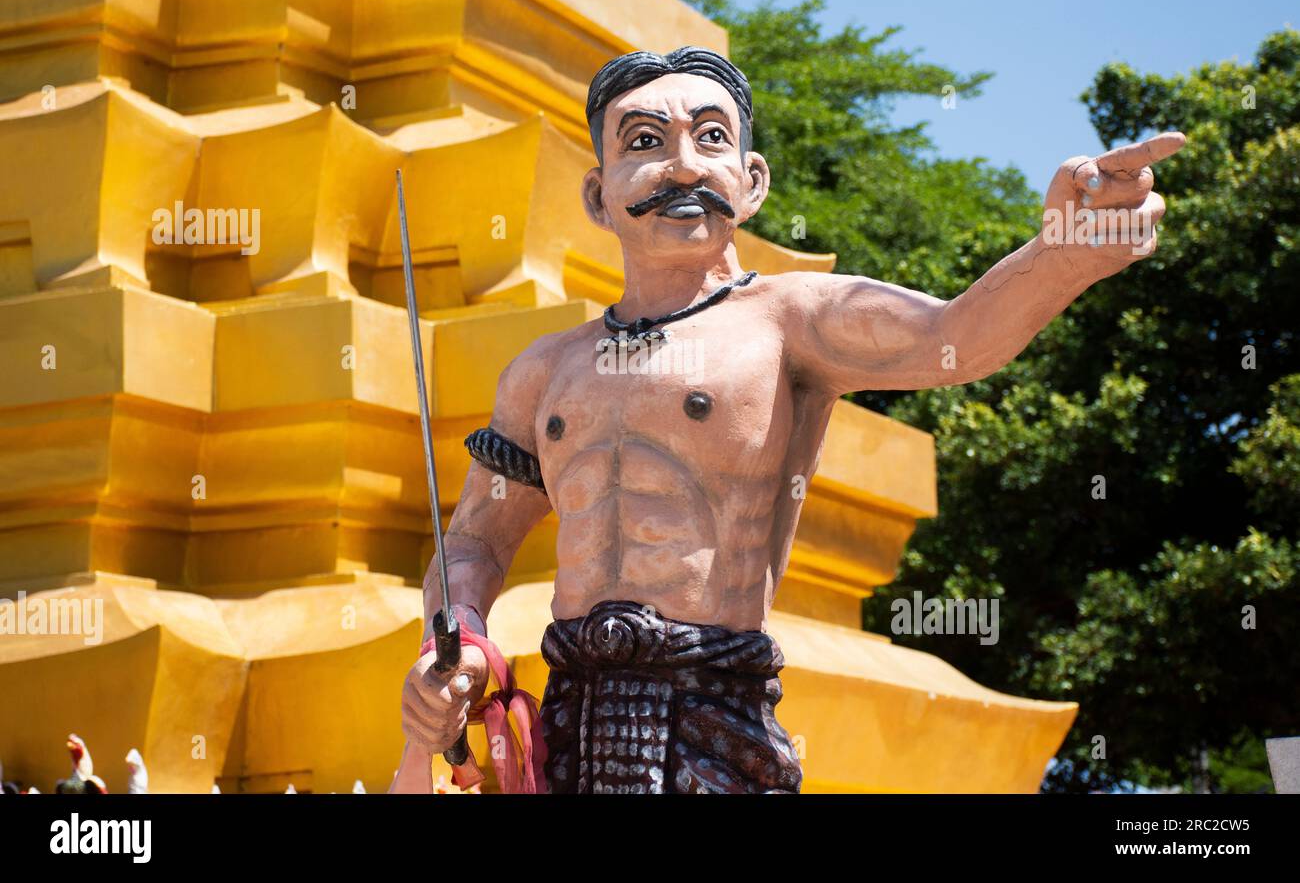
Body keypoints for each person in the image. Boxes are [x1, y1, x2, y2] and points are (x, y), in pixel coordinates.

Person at [396, 46, 1183, 794]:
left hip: (716, 705)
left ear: (752, 180)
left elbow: (954, 338)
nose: (683, 165)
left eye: (711, 138)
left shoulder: (790, 321)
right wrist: (454, 641)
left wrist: (1064, 253)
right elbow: (476, 538)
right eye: (645, 141)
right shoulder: (544, 370)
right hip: (568, 714)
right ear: (600, 195)